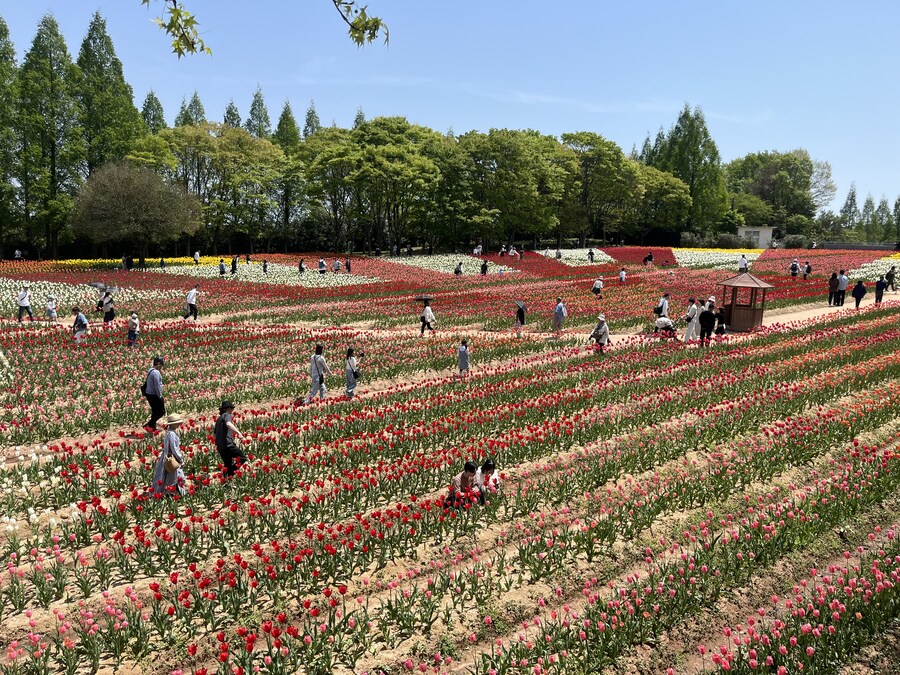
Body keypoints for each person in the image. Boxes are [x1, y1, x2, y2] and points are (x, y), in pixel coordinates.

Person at [150, 413, 187, 498]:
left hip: (166, 456)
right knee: (177, 475)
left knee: (165, 475)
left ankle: (168, 492)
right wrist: (180, 458)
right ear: (173, 424)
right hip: (172, 457)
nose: (179, 424)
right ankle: (176, 493)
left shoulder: (168, 433)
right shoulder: (172, 434)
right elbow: (174, 448)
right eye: (177, 423)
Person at [214, 401, 247, 478]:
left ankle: (226, 482)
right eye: (232, 408)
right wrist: (239, 433)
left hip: (221, 447)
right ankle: (231, 472)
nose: (233, 410)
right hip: (228, 444)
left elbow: (215, 433)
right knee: (242, 458)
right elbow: (228, 424)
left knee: (227, 464)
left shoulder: (219, 419)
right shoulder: (226, 415)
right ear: (228, 409)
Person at [142, 356, 166, 431]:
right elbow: (157, 385)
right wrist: (160, 396)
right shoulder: (155, 372)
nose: (162, 366)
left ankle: (152, 426)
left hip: (149, 393)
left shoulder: (151, 370)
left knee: (155, 411)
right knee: (161, 411)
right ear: (158, 364)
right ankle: (149, 424)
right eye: (161, 365)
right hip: (154, 395)